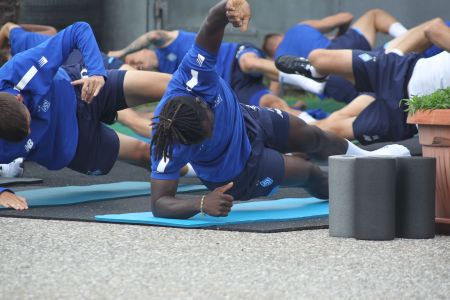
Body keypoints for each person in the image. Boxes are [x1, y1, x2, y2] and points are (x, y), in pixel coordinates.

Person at [149, 0, 410, 219]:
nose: (213, 129)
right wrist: (202, 203)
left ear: (199, 101)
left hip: (248, 119)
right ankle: (361, 189)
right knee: (308, 172)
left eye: (210, 120)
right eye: (206, 134)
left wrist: (229, 8)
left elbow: (212, 22)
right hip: (238, 171)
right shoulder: (167, 145)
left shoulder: (195, 75)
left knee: (312, 136)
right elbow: (160, 203)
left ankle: (368, 159)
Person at [0, 22, 171, 210]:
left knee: (170, 84)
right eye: (27, 133)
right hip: (73, 143)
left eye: (29, 121)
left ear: (19, 99)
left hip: (79, 88)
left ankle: (207, 112)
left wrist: (96, 73)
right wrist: (2, 192)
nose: (31, 130)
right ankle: (196, 167)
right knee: (145, 152)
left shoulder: (20, 69)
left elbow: (79, 29)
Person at [275, 18, 450, 145]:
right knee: (318, 58)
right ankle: (316, 73)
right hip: (398, 70)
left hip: (405, 114)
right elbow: (432, 28)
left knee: (331, 129)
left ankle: (281, 141)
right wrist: (396, 54)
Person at [108, 28, 307, 116]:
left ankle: (308, 76)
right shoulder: (167, 80)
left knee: (249, 63)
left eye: (134, 59)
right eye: (136, 67)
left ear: (142, 50)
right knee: (271, 106)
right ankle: (313, 122)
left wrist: (120, 53)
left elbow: (152, 35)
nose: (137, 64)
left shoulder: (167, 43)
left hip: (235, 58)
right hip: (232, 90)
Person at [264, 10, 408, 103]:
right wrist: (339, 36)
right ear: (280, 36)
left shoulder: (279, 61)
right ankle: (411, 37)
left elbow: (274, 93)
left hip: (330, 83)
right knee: (374, 17)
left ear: (271, 53)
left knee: (375, 97)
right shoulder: (299, 27)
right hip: (337, 50)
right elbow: (346, 17)